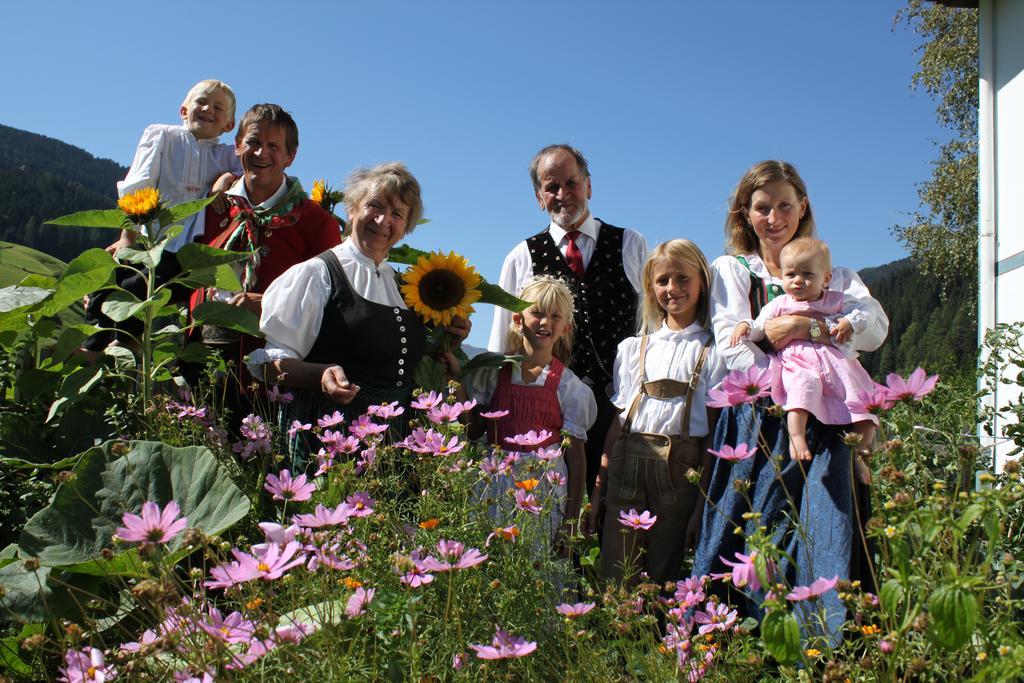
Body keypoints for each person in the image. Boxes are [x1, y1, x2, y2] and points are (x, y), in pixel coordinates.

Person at [692, 161, 888, 643]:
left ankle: (827, 642)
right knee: (757, 522)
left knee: (829, 520)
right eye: (763, 207)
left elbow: (876, 330)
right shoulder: (734, 271)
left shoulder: (835, 274)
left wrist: (806, 328)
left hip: (829, 419)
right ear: (745, 213)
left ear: (803, 208)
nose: (775, 217)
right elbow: (731, 346)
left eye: (785, 205)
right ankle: (742, 641)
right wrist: (790, 382)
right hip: (761, 416)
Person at [246, 162, 469, 464]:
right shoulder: (317, 274)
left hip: (393, 443)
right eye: (374, 206)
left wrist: (447, 338)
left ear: (405, 229)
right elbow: (269, 365)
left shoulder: (405, 288)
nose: (382, 220)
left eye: (397, 214)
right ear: (351, 208)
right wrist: (319, 374)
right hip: (328, 439)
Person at [489, 144, 647, 494]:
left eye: (571, 183)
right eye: (551, 187)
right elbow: (502, 341)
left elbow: (651, 328)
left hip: (621, 412)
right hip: (547, 415)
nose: (563, 194)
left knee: (615, 517)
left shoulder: (631, 244)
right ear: (538, 197)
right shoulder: (520, 257)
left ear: (588, 186)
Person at [190, 103, 342, 425]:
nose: (261, 153)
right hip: (199, 357)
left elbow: (331, 302)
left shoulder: (315, 222)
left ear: (291, 156)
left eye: (274, 146)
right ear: (237, 145)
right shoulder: (212, 207)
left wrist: (271, 304)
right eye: (253, 142)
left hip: (268, 375)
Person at [586, 240, 725, 586]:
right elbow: (620, 421)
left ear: (702, 282)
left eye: (682, 278)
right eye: (663, 280)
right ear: (650, 287)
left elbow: (712, 433)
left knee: (664, 568)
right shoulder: (635, 348)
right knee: (616, 569)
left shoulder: (712, 350)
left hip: (682, 466)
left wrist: (702, 506)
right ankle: (615, 635)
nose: (672, 288)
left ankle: (659, 639)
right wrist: (599, 487)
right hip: (627, 462)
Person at [83, 79, 242, 352]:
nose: (208, 109)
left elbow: (253, 175)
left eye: (218, 107)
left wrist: (227, 177)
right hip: (149, 238)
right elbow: (139, 186)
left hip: (188, 248)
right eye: (201, 102)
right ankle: (96, 343)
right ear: (183, 110)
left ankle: (117, 346)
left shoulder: (226, 156)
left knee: (136, 287)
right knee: (108, 278)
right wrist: (126, 239)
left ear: (228, 125)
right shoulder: (163, 137)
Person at [460, 276, 596, 553]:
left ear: (565, 327)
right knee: (494, 561)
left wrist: (571, 520)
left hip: (544, 489)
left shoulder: (570, 387)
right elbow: (473, 432)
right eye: (537, 313)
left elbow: (576, 457)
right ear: (518, 319)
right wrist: (457, 383)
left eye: (555, 316)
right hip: (495, 484)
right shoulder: (493, 372)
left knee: (539, 561)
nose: (546, 322)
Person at [730, 237, 878, 484]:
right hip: (797, 360)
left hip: (835, 362)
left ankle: (861, 454)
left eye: (807, 274)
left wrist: (850, 322)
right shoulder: (780, 303)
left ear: (826, 278)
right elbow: (761, 326)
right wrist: (746, 325)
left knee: (862, 399)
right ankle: (796, 435)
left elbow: (868, 310)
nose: (798, 280)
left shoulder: (835, 300)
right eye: (790, 274)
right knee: (803, 384)